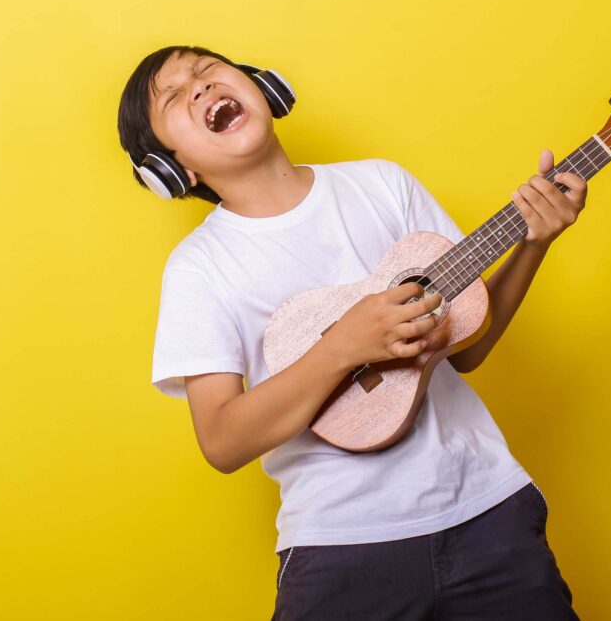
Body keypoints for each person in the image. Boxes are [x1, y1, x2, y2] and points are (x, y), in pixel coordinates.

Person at [117, 44, 586, 620]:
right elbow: (222, 439)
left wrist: (534, 242)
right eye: (173, 96)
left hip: (489, 510)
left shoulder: (383, 185)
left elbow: (469, 346)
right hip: (342, 546)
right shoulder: (200, 267)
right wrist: (343, 347)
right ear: (172, 169)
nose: (199, 86)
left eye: (207, 70)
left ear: (260, 85)